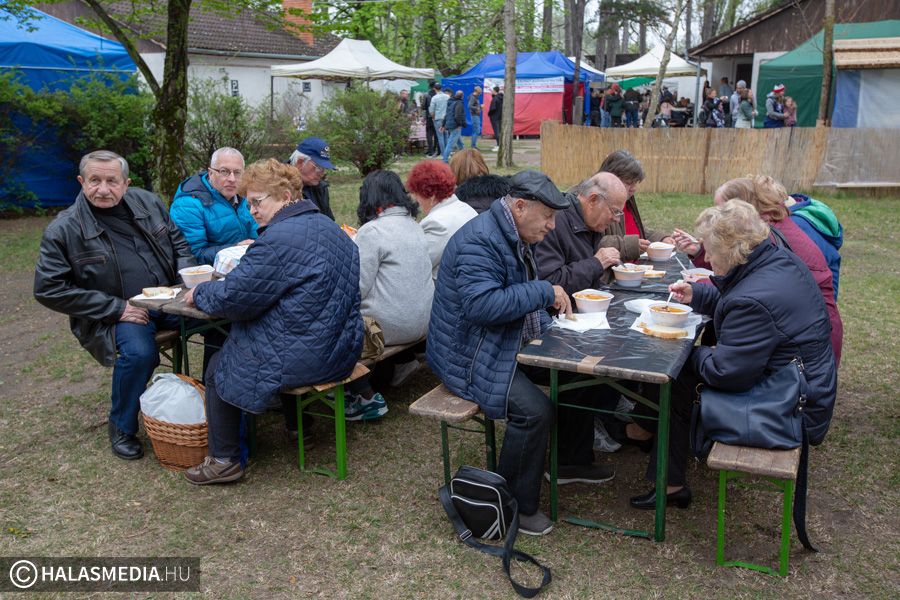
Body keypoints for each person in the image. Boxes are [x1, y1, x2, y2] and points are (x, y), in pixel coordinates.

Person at [428, 170, 615, 537]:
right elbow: (482, 306)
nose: (552, 226)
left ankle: (570, 462)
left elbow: (518, 296)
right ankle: (515, 504)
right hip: (468, 353)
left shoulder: (513, 232)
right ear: (519, 206)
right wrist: (544, 291)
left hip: (501, 340)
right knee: (534, 411)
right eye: (547, 216)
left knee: (580, 370)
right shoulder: (480, 241)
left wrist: (552, 326)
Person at [625, 200, 836, 509]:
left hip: (790, 408)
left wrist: (688, 353)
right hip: (804, 385)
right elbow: (740, 299)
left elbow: (727, 373)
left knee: (679, 376)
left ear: (733, 250)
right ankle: (644, 432)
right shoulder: (776, 260)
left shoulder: (754, 299)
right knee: (685, 369)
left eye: (711, 251)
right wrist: (698, 294)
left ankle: (668, 482)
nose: (707, 257)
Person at [181, 159, 364, 484]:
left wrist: (200, 292)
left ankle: (224, 460)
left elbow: (233, 297)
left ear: (285, 196)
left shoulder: (278, 240)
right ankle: (299, 428)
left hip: (311, 356)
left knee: (219, 365)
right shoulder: (327, 226)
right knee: (276, 339)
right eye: (248, 203)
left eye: (257, 202)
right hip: (342, 347)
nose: (252, 210)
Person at [34, 150, 197, 460]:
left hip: (172, 299)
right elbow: (48, 288)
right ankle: (122, 426)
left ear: (126, 183)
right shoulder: (64, 229)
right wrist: (116, 308)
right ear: (81, 181)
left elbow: (179, 244)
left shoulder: (148, 202)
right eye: (94, 180)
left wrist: (187, 283)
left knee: (225, 319)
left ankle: (215, 401)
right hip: (120, 313)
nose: (103, 189)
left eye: (112, 181)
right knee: (140, 354)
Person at [673, 176, 843, 367]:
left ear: (744, 210)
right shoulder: (768, 236)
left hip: (801, 359)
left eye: (724, 210)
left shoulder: (772, 242)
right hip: (806, 346)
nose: (719, 217)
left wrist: (700, 354)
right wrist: (698, 289)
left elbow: (750, 299)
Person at [348, 171, 435, 417]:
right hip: (424, 321)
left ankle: (362, 394)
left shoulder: (372, 232)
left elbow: (358, 287)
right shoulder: (415, 226)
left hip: (391, 328)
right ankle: (401, 364)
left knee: (335, 319)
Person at [535, 172, 627, 293]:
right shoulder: (553, 224)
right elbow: (549, 284)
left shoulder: (592, 223)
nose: (617, 219)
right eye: (615, 211)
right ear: (593, 200)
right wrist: (596, 263)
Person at [170, 147, 257, 265]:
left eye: (237, 173)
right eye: (224, 171)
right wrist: (235, 248)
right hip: (211, 272)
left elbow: (258, 234)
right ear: (211, 173)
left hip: (247, 265)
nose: (232, 179)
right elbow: (193, 255)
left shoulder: (245, 197)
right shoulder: (187, 205)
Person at [597, 150, 676, 262]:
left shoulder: (625, 199)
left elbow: (635, 228)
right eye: (629, 183)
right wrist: (631, 245)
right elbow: (594, 242)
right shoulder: (597, 201)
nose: (634, 188)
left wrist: (661, 238)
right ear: (611, 178)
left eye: (635, 183)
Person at [406, 160, 477, 279]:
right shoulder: (465, 208)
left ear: (431, 196)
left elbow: (416, 266)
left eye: (417, 194)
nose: (416, 200)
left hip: (447, 285)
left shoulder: (437, 223)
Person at [288, 137, 336, 220]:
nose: (322, 173)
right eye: (318, 167)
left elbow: (329, 220)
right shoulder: (276, 186)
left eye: (324, 168)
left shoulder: (321, 188)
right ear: (300, 162)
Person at [442, 90, 466, 163]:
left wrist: (443, 124)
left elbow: (446, 114)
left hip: (450, 124)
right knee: (451, 143)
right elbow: (457, 115)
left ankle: (465, 157)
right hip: (455, 125)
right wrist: (460, 124)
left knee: (460, 142)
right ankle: (445, 160)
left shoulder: (450, 102)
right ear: (462, 96)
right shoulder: (459, 103)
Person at [428, 82, 449, 155]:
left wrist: (433, 117)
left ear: (434, 89)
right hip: (446, 118)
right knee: (446, 135)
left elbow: (431, 110)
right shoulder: (447, 96)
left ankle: (443, 153)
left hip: (438, 118)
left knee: (440, 136)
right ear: (441, 88)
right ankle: (447, 152)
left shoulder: (434, 98)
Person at [422, 81, 438, 157]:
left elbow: (423, 107)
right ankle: (435, 149)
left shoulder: (426, 95)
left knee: (429, 134)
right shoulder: (438, 95)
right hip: (437, 117)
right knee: (436, 134)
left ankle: (430, 151)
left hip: (429, 117)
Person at [488, 86, 503, 151]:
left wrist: (490, 114)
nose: (491, 92)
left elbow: (493, 108)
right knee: (499, 131)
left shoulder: (495, 99)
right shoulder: (501, 98)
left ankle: (499, 145)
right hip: (500, 117)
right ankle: (499, 145)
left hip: (495, 117)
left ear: (494, 91)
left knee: (497, 132)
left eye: (492, 90)